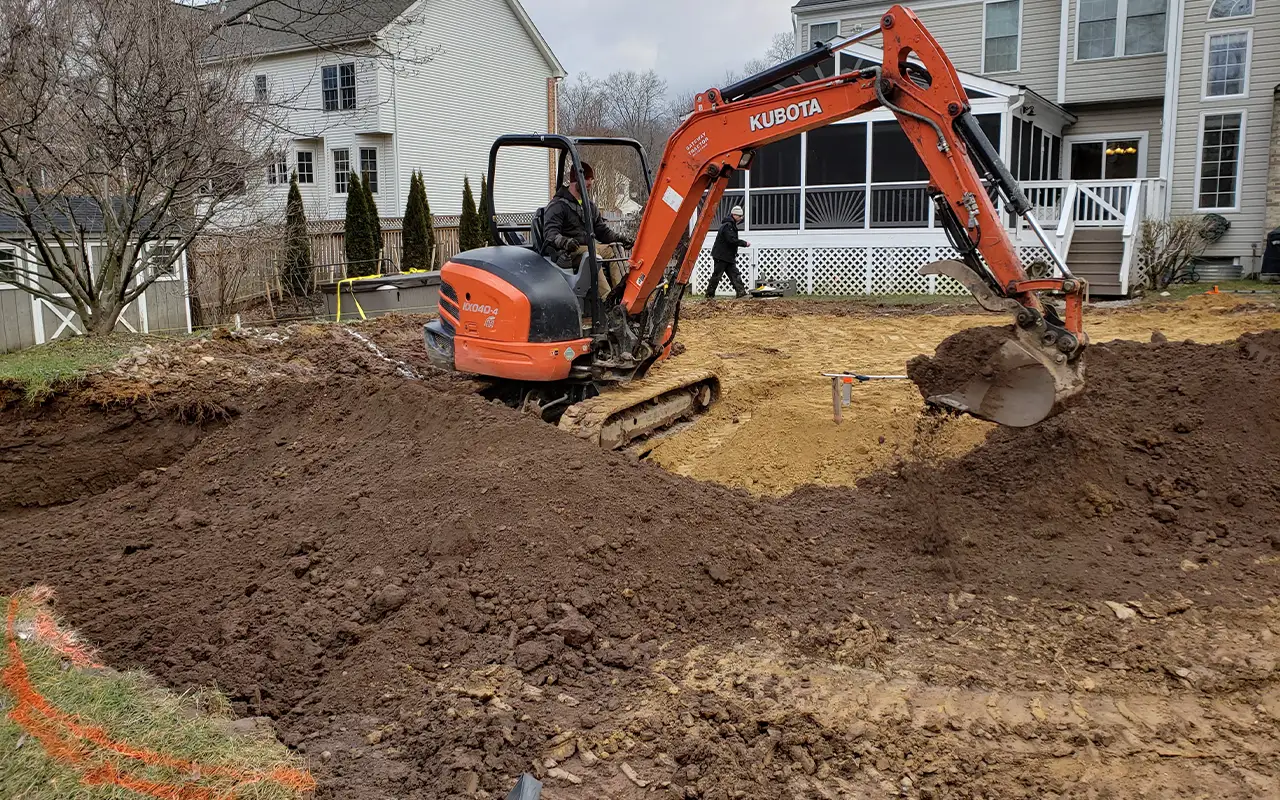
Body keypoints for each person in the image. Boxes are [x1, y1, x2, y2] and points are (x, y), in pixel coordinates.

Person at [541, 161, 634, 299]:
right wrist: (566, 242)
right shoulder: (558, 205)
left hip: (588, 247)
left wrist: (619, 238)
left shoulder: (589, 206)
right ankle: (606, 300)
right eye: (586, 179)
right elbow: (550, 233)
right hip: (567, 252)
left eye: (591, 179)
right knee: (592, 253)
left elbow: (601, 230)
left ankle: (623, 297)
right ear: (575, 179)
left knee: (614, 249)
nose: (590, 182)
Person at [707, 205, 750, 299]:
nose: (741, 218)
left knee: (734, 274)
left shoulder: (729, 224)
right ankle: (709, 295)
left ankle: (741, 293)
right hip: (722, 255)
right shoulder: (728, 226)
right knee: (717, 275)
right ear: (735, 215)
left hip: (727, 256)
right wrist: (744, 243)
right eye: (740, 216)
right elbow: (731, 240)